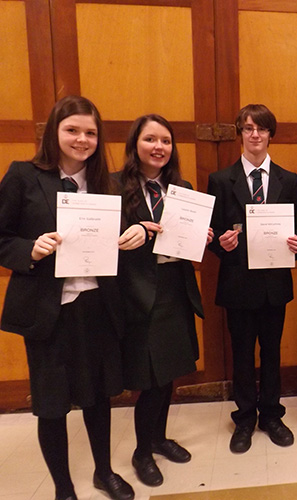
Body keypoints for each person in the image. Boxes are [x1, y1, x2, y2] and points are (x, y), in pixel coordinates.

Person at [0, 95, 142, 500]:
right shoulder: (24, 176)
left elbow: (122, 236)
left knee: (99, 396)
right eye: (72, 130)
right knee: (51, 404)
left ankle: (104, 472)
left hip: (98, 306)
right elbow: (2, 237)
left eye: (90, 133)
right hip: (48, 311)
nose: (82, 139)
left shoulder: (107, 185)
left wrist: (137, 232)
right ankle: (63, 488)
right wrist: (29, 249)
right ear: (54, 132)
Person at [114, 115, 210, 487]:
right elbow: (104, 239)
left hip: (175, 288)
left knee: (168, 373)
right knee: (150, 379)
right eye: (150, 139)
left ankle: (159, 438)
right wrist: (135, 230)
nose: (159, 147)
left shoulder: (181, 188)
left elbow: (184, 240)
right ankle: (141, 451)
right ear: (135, 144)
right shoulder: (113, 186)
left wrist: (202, 236)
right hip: (139, 292)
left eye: (166, 141)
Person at [207, 104, 297, 453]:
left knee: (273, 353)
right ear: (240, 134)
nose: (255, 135)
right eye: (248, 128)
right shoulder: (221, 180)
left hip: (274, 284)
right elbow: (213, 234)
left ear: (270, 134)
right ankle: (245, 418)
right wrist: (221, 244)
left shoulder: (288, 179)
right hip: (238, 283)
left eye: (261, 129)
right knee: (243, 354)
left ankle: (272, 416)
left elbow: (294, 233)